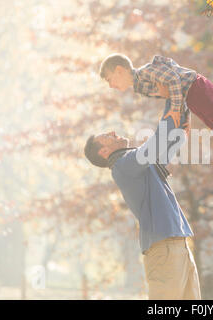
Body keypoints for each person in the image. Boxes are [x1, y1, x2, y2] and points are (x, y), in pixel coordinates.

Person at [84, 99, 201, 300]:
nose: (112, 132)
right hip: (164, 249)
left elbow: (169, 146)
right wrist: (172, 101)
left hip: (177, 245)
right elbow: (155, 145)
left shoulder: (137, 164)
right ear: (104, 152)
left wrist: (182, 110)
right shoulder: (123, 165)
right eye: (106, 136)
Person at [99, 53, 213, 177]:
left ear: (119, 70)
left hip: (195, 87)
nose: (110, 85)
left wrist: (176, 110)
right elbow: (174, 93)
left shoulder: (146, 72)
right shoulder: (141, 87)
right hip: (191, 96)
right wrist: (184, 118)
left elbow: (174, 80)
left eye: (109, 79)